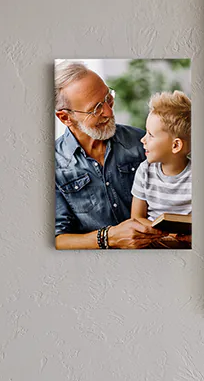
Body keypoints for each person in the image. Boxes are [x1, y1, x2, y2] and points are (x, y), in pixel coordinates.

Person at [54, 61, 167, 249]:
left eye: (108, 98)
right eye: (96, 108)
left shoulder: (141, 141)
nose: (108, 111)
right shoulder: (52, 165)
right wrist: (108, 238)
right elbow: (57, 239)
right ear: (65, 117)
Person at [131, 90, 193, 226]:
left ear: (175, 145)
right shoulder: (144, 171)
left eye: (150, 135)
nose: (143, 139)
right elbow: (136, 218)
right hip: (153, 240)